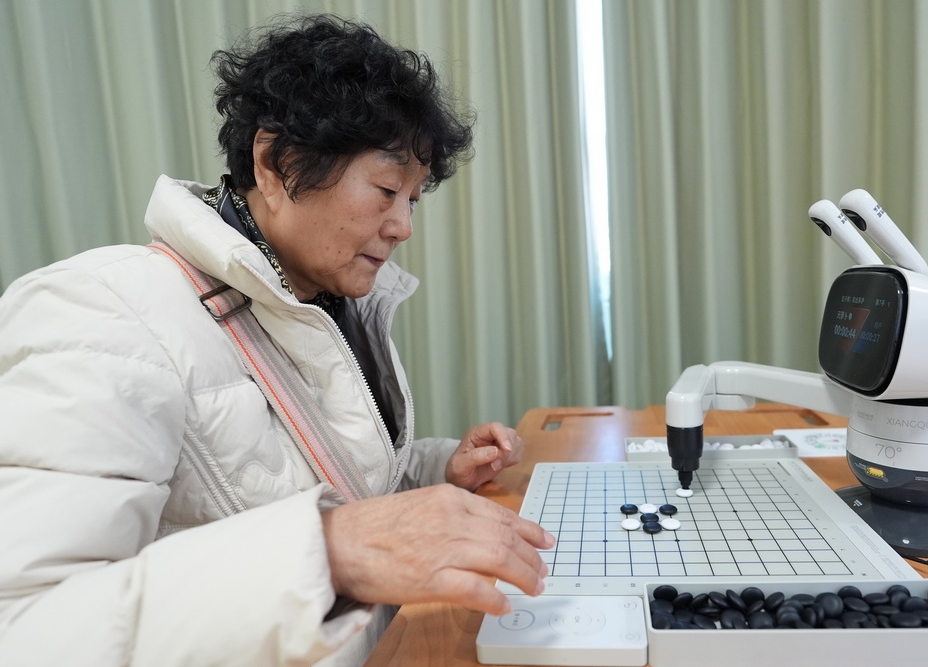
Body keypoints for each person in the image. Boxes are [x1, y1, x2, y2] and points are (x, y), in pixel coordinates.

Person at [0, 14, 553, 667]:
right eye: (384, 189)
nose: (403, 225)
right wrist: (331, 550)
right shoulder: (101, 311)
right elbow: (26, 629)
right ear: (275, 161)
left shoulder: (324, 300)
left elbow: (326, 483)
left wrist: (436, 468)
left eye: (412, 199)